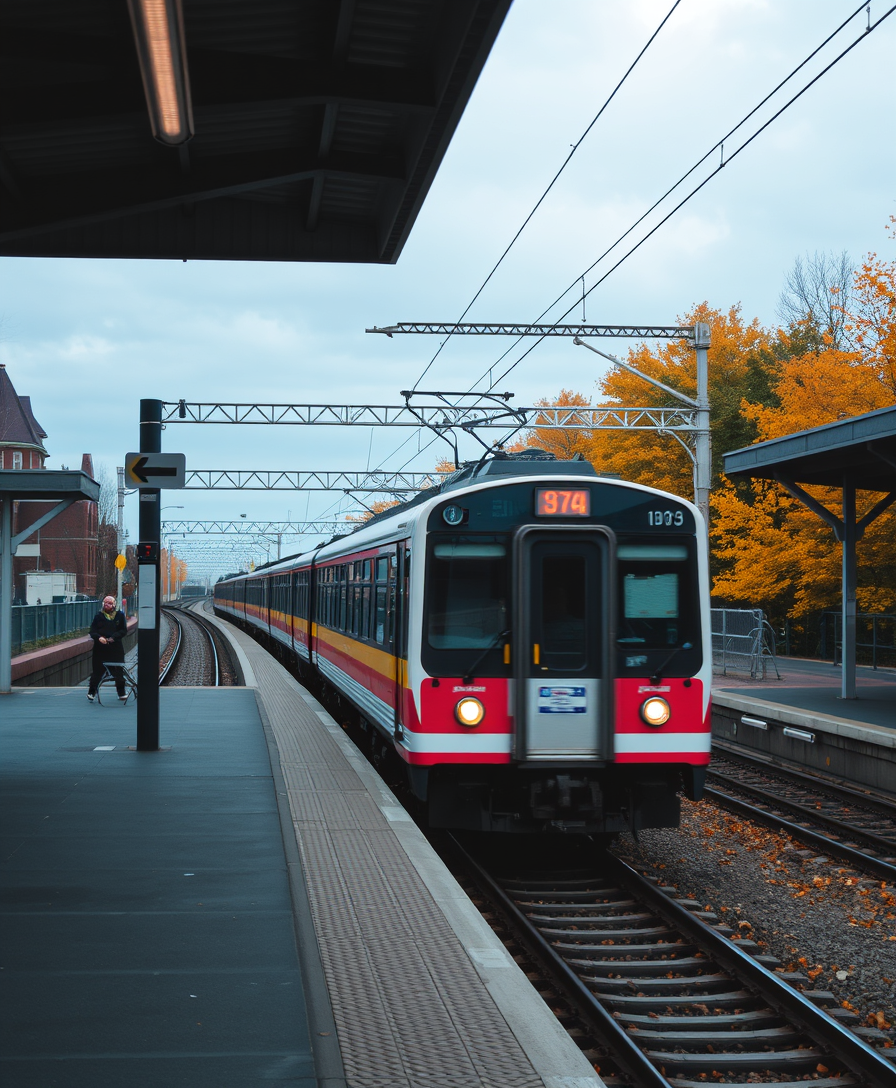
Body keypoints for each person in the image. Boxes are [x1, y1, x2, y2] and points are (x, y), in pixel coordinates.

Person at [87, 595, 128, 702]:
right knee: (97, 671)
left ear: (114, 605)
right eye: (105, 603)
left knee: (118, 671)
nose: (107, 605)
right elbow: (92, 631)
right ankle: (92, 692)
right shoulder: (98, 616)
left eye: (109, 603)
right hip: (100, 649)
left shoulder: (120, 615)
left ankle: (121, 692)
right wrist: (99, 637)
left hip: (115, 648)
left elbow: (123, 631)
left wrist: (113, 638)